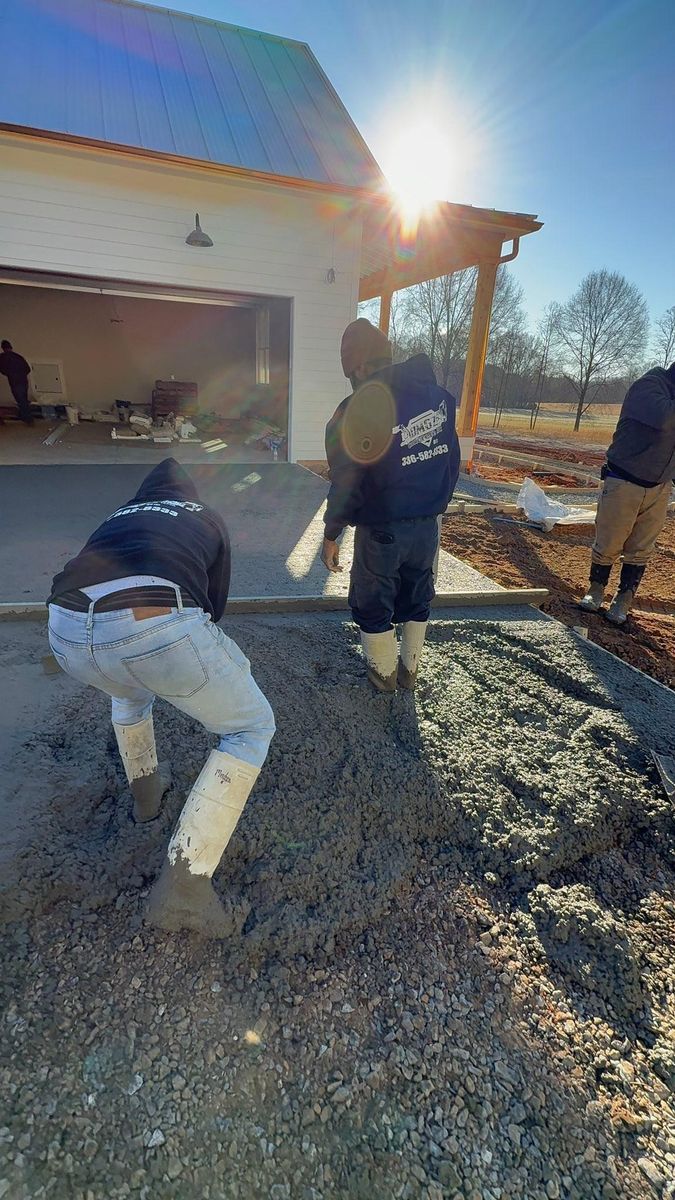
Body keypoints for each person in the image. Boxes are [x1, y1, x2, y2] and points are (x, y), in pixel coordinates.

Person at [47, 458, 275, 937]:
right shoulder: (205, 515)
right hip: (153, 618)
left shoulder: (119, 515)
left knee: (129, 694)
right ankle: (185, 891)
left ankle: (146, 800)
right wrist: (187, 667)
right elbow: (213, 606)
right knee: (250, 727)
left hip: (63, 628)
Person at [322, 318, 460, 691]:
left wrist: (332, 532)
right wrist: (434, 503)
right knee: (418, 594)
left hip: (383, 529)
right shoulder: (438, 398)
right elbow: (451, 462)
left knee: (372, 600)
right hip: (428, 526)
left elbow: (346, 479)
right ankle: (409, 673)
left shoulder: (356, 409)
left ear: (360, 367)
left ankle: (382, 678)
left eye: (352, 372)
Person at [579, 362, 675, 625]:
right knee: (609, 540)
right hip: (624, 479)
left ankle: (624, 597)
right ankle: (596, 589)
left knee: (641, 547)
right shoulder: (649, 386)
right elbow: (665, 419)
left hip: (658, 486)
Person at [0, 339, 33, 424]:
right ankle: (26, 416)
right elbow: (28, 369)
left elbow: (2, 369)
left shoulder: (2, 357)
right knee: (23, 399)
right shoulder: (18, 356)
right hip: (23, 380)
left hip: (14, 381)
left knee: (20, 399)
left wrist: (9, 374)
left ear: (3, 348)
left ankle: (27, 418)